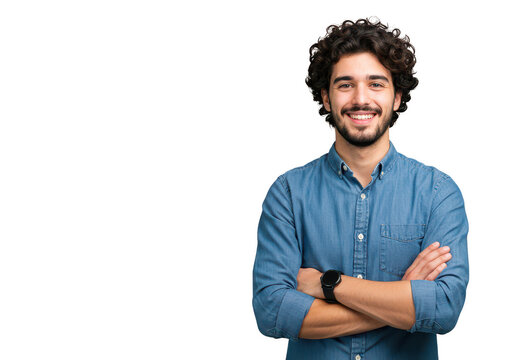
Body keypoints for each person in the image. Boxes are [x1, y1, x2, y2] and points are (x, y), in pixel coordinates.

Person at [252, 18, 469, 359]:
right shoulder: (288, 194)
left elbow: (442, 309)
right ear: (325, 97)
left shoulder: (437, 193)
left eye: (376, 84)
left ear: (397, 97)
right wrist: (401, 301)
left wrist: (328, 285)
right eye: (345, 85)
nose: (361, 99)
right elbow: (271, 311)